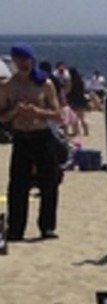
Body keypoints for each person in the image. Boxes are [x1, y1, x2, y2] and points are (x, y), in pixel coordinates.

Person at [0, 44, 63, 241]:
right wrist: (15, 112)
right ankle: (16, 228)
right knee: (18, 184)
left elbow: (58, 114)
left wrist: (37, 112)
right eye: (19, 60)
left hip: (41, 136)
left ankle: (47, 227)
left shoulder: (45, 84)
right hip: (21, 136)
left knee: (49, 183)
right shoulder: (8, 86)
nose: (23, 63)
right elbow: (2, 117)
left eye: (26, 59)